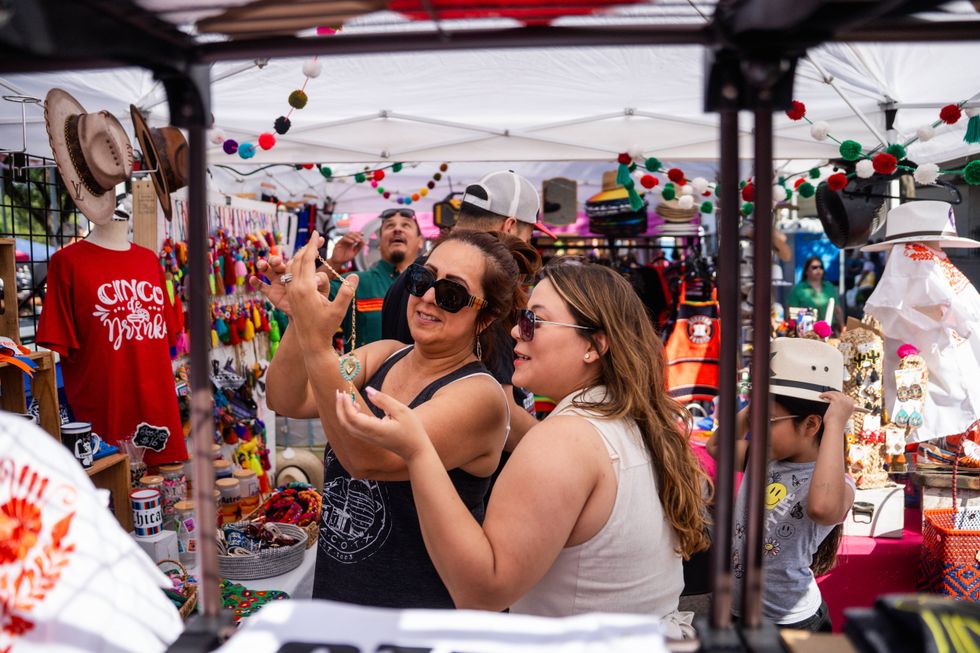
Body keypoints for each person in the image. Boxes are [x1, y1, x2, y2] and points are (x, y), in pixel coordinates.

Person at [335, 260, 710, 637]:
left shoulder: (565, 441)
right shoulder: (634, 422)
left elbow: (484, 591)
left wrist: (419, 453)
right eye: (520, 318)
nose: (516, 331)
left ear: (595, 345)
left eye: (534, 321)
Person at [251, 228, 538, 608]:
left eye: (452, 294)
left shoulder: (479, 396)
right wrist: (300, 322)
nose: (429, 297)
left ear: (485, 318)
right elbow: (287, 398)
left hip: (417, 620)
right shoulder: (384, 355)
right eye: (422, 279)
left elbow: (366, 458)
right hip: (341, 602)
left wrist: (318, 342)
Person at [381, 170, 555, 448]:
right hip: (458, 467)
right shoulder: (487, 287)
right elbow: (503, 417)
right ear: (510, 226)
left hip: (408, 446)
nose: (429, 297)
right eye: (530, 232)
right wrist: (561, 448)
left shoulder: (410, 278)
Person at [707, 337, 855, 632]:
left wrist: (835, 425)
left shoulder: (837, 484)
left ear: (811, 425)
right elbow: (716, 446)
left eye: (769, 420)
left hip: (793, 624)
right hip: (738, 612)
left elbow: (822, 508)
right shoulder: (761, 457)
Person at [320, 208, 425, 347]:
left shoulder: (430, 287)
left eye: (406, 225)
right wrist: (334, 261)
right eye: (390, 226)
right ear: (380, 243)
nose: (397, 229)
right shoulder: (355, 282)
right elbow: (307, 296)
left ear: (420, 242)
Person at [787, 256, 843, 329]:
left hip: (829, 331)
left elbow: (837, 309)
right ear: (806, 271)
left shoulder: (829, 286)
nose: (818, 269)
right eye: (814, 267)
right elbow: (790, 313)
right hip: (807, 332)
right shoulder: (798, 289)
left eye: (821, 267)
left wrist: (842, 326)